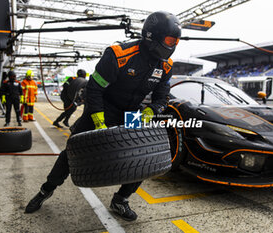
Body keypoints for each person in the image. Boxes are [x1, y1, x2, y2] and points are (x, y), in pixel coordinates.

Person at [25, 11, 181, 221]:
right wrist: (98, 120)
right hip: (102, 106)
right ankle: (46, 189)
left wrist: (151, 111)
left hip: (132, 112)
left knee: (144, 155)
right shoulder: (118, 54)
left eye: (176, 41)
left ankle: (121, 200)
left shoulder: (166, 66)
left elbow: (163, 98)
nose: (173, 45)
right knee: (73, 152)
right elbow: (94, 88)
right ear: (153, 35)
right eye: (170, 40)